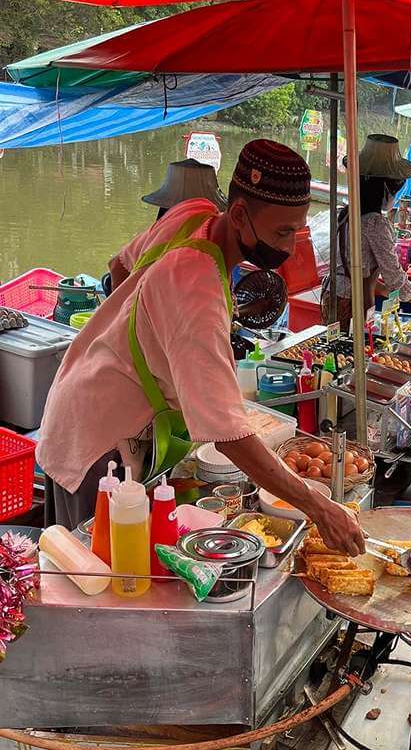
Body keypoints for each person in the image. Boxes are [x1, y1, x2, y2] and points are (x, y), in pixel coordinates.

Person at [36, 138, 365, 558]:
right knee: (93, 575)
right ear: (241, 213)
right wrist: (320, 507)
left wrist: (144, 341)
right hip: (97, 445)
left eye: (295, 231)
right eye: (282, 232)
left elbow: (119, 267)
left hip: (78, 396)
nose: (286, 249)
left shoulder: (194, 213)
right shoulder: (196, 293)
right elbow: (229, 436)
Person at [332, 134, 411, 329]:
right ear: (384, 188)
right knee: (352, 354)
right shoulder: (375, 223)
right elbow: (393, 274)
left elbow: (355, 265)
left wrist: (383, 288)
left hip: (334, 294)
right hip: (353, 303)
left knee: (337, 354)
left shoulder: (346, 214)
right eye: (394, 188)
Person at [106, 158, 227, 293]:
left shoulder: (209, 240)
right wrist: (124, 307)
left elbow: (116, 265)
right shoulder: (161, 234)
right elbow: (117, 266)